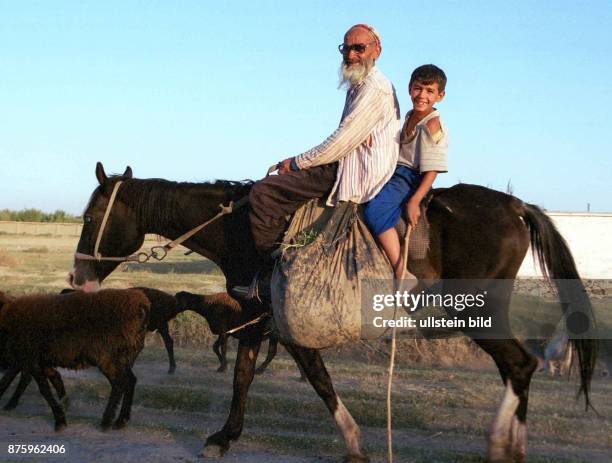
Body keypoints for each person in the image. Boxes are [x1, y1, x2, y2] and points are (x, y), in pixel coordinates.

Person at [234, 24, 400, 300]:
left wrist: (297, 162)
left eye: (359, 48)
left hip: (356, 168)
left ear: (377, 51)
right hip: (351, 158)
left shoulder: (373, 88)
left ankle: (270, 273)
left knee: (264, 193)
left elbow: (341, 141)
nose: (351, 54)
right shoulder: (359, 84)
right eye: (346, 48)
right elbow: (350, 136)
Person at [364, 64, 448, 279]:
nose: (422, 96)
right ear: (410, 88)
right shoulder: (410, 115)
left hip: (409, 176)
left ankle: (402, 271)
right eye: (418, 89)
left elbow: (432, 168)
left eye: (430, 91)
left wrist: (414, 200)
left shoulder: (432, 125)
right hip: (394, 168)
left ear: (441, 96)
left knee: (375, 211)